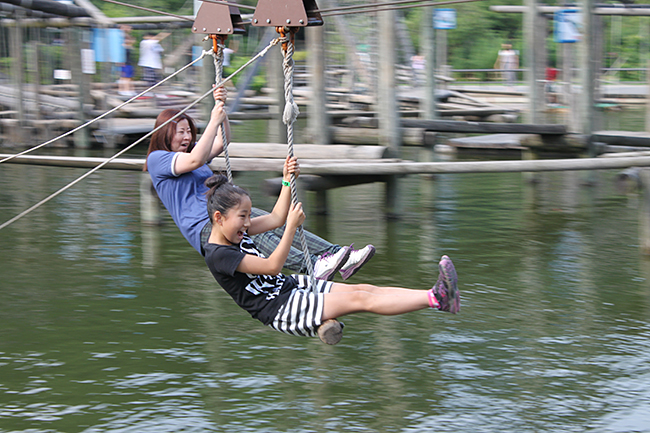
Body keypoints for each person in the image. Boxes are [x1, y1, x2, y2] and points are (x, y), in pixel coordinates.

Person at [144, 87, 375, 281]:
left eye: (189, 132)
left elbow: (223, 141)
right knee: (255, 230)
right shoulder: (158, 159)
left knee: (276, 223)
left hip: (226, 210)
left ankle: (337, 256)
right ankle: (313, 266)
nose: (187, 137)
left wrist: (222, 111)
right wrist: (213, 119)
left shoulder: (194, 154)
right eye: (180, 132)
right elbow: (195, 159)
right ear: (165, 133)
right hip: (206, 227)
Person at [202, 170, 460, 341]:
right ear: (219, 218)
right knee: (361, 298)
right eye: (243, 217)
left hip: (289, 287)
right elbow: (271, 266)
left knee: (364, 288)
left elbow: (275, 217)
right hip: (279, 308)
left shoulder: (236, 231)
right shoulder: (219, 254)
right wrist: (290, 228)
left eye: (249, 215)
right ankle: (436, 299)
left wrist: (286, 180)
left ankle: (435, 294)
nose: (248, 223)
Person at [118, 25, 135, 96]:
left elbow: (132, 40)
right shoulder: (121, 44)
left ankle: (126, 90)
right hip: (124, 63)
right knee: (125, 78)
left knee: (128, 77)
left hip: (128, 63)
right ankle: (124, 90)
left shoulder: (128, 45)